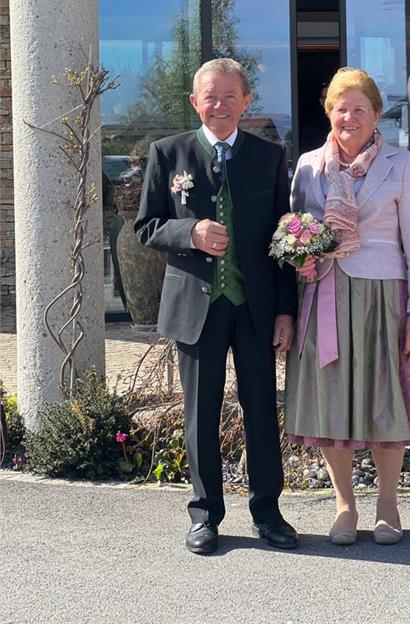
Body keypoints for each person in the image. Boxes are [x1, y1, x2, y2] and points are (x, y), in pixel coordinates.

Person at [135, 58, 298, 555]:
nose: (220, 105)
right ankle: (205, 515)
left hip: (254, 307)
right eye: (210, 95)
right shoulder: (168, 154)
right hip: (195, 308)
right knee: (201, 414)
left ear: (247, 101)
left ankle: (268, 513)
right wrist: (191, 232)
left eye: (230, 96)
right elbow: (145, 227)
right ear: (194, 101)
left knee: (260, 412)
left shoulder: (269, 157)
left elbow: (284, 240)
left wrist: (286, 311)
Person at [284, 67, 410, 545]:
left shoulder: (402, 164)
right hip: (325, 296)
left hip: (383, 300)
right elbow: (293, 230)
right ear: (328, 113)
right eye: (339, 108)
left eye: (358, 108)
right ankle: (344, 505)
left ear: (376, 114)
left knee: (383, 400)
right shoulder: (310, 165)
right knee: (333, 399)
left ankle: (388, 504)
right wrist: (302, 257)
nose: (348, 116)